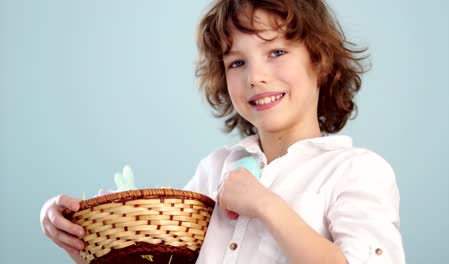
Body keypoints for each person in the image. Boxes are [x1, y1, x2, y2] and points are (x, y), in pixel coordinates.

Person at [40, 0, 405, 263]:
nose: (255, 76)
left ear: (322, 64)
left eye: (276, 52)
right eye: (237, 62)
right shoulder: (214, 170)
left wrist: (265, 206)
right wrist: (84, 240)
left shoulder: (358, 171)